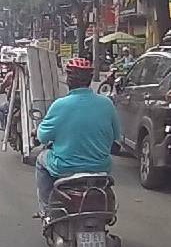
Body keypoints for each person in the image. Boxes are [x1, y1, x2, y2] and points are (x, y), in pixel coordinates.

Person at [34, 58, 120, 216]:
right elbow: (116, 136)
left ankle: (46, 211)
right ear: (89, 80)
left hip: (65, 167)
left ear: (68, 80)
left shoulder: (60, 105)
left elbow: (42, 137)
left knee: (41, 159)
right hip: (101, 168)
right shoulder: (107, 104)